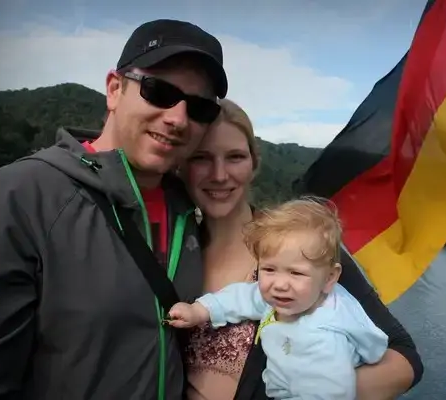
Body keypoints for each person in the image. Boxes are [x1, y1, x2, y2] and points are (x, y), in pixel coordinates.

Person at [0, 19, 227, 400]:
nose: (177, 118)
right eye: (159, 91)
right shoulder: (17, 198)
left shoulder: (191, 211)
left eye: (200, 107)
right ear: (114, 88)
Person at [180, 98, 424, 400]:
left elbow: (404, 358)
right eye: (201, 157)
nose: (219, 174)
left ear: (254, 164)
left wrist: (321, 391)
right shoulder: (173, 251)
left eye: (235, 157)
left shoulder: (302, 248)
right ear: (182, 165)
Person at [167, 198, 390, 399]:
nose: (280, 284)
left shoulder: (325, 340)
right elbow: (242, 297)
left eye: (296, 273)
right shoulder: (292, 297)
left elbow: (331, 393)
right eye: (269, 269)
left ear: (330, 277)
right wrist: (198, 311)